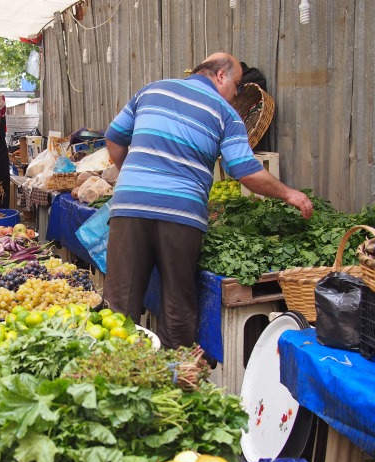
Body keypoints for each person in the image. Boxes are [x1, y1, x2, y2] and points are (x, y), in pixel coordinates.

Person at [103, 52, 313, 350]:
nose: (237, 93)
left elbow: (113, 138)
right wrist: (291, 194)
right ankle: (173, 382)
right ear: (221, 75)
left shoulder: (152, 89)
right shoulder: (225, 114)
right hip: (180, 214)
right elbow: (245, 170)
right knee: (177, 305)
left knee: (119, 303)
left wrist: (134, 179)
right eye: (238, 84)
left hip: (129, 207)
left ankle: (113, 377)